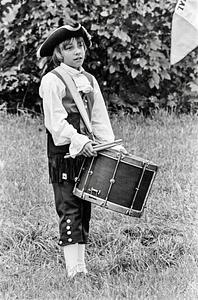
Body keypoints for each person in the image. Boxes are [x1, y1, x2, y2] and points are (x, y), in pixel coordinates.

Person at [37, 23, 126, 278]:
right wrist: (78, 140)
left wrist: (111, 146)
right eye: (69, 48)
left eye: (80, 46)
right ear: (58, 54)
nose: (78, 52)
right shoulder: (52, 80)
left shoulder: (89, 80)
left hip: (89, 154)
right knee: (69, 207)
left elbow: (98, 119)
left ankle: (82, 268)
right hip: (64, 154)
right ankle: (73, 271)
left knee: (85, 208)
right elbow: (55, 123)